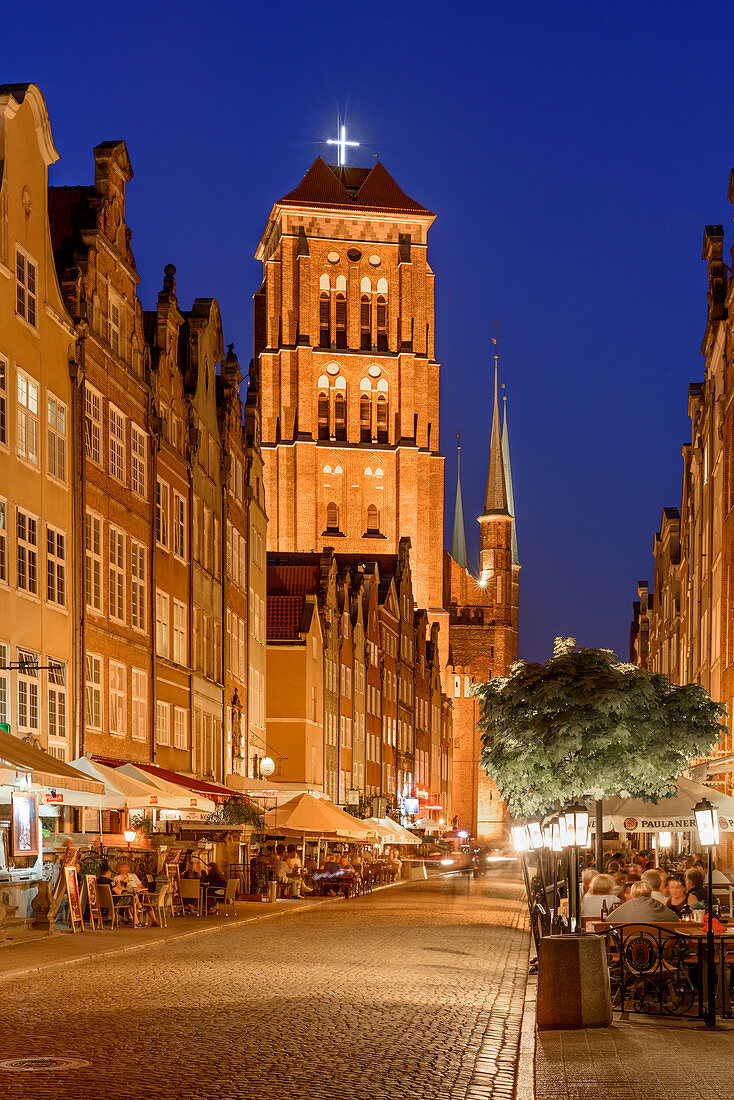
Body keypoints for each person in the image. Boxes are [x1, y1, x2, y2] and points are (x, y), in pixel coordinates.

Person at [604, 880, 677, 924]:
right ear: (650, 893)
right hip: (655, 944)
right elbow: (675, 919)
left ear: (632, 894)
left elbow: (609, 919)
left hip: (628, 943)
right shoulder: (657, 904)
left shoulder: (626, 905)